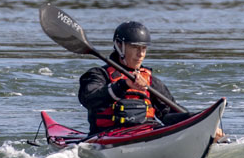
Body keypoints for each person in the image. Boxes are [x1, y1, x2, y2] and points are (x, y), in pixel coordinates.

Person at [78, 21, 224, 141]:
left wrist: (202, 125)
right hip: (109, 135)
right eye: (135, 47)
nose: (140, 54)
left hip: (146, 132)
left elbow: (168, 115)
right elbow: (89, 99)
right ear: (119, 45)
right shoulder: (98, 75)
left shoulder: (150, 81)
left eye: (144, 48)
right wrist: (123, 85)